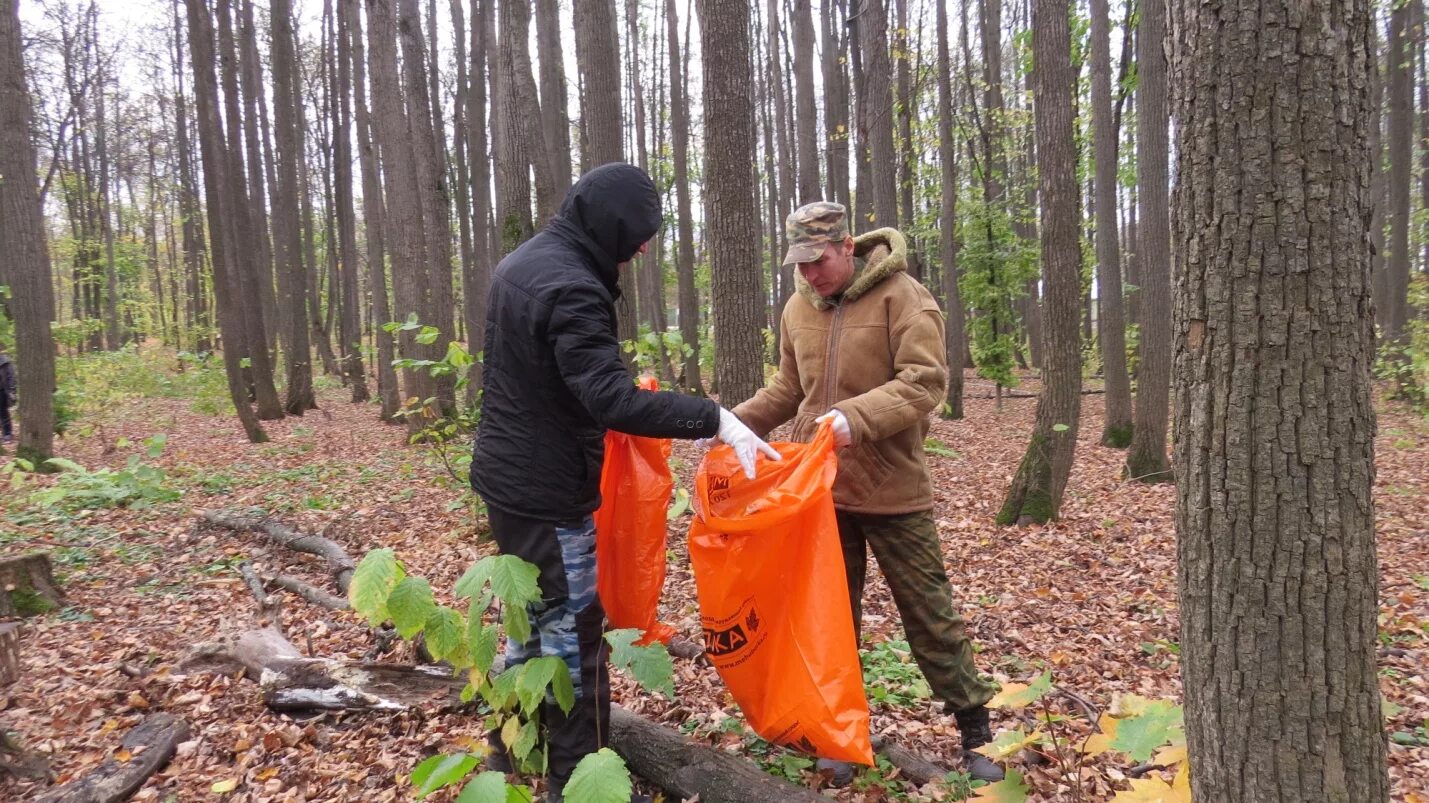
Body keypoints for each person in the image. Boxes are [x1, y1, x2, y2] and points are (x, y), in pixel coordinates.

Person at [468, 162, 779, 802]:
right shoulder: (571, 284)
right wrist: (712, 418)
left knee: (529, 626)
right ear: (609, 226)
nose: (641, 249)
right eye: (637, 237)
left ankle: (508, 754)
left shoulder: (525, 261)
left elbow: (558, 378)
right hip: (546, 489)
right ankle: (577, 785)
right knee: (576, 637)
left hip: (508, 478)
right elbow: (608, 398)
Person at [729, 201, 1004, 785]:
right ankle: (838, 734)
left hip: (892, 487)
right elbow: (787, 386)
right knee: (828, 621)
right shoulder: (798, 309)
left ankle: (977, 731)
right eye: (799, 265)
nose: (809, 274)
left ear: (847, 245)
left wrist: (854, 418)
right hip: (819, 492)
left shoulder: (903, 298)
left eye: (819, 260)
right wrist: (734, 424)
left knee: (930, 616)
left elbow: (925, 382)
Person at [0, 342, 15, 444]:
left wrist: (12, 390)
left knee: (3, 412)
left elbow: (11, 377)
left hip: (2, 391)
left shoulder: (5, 361)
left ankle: (7, 433)